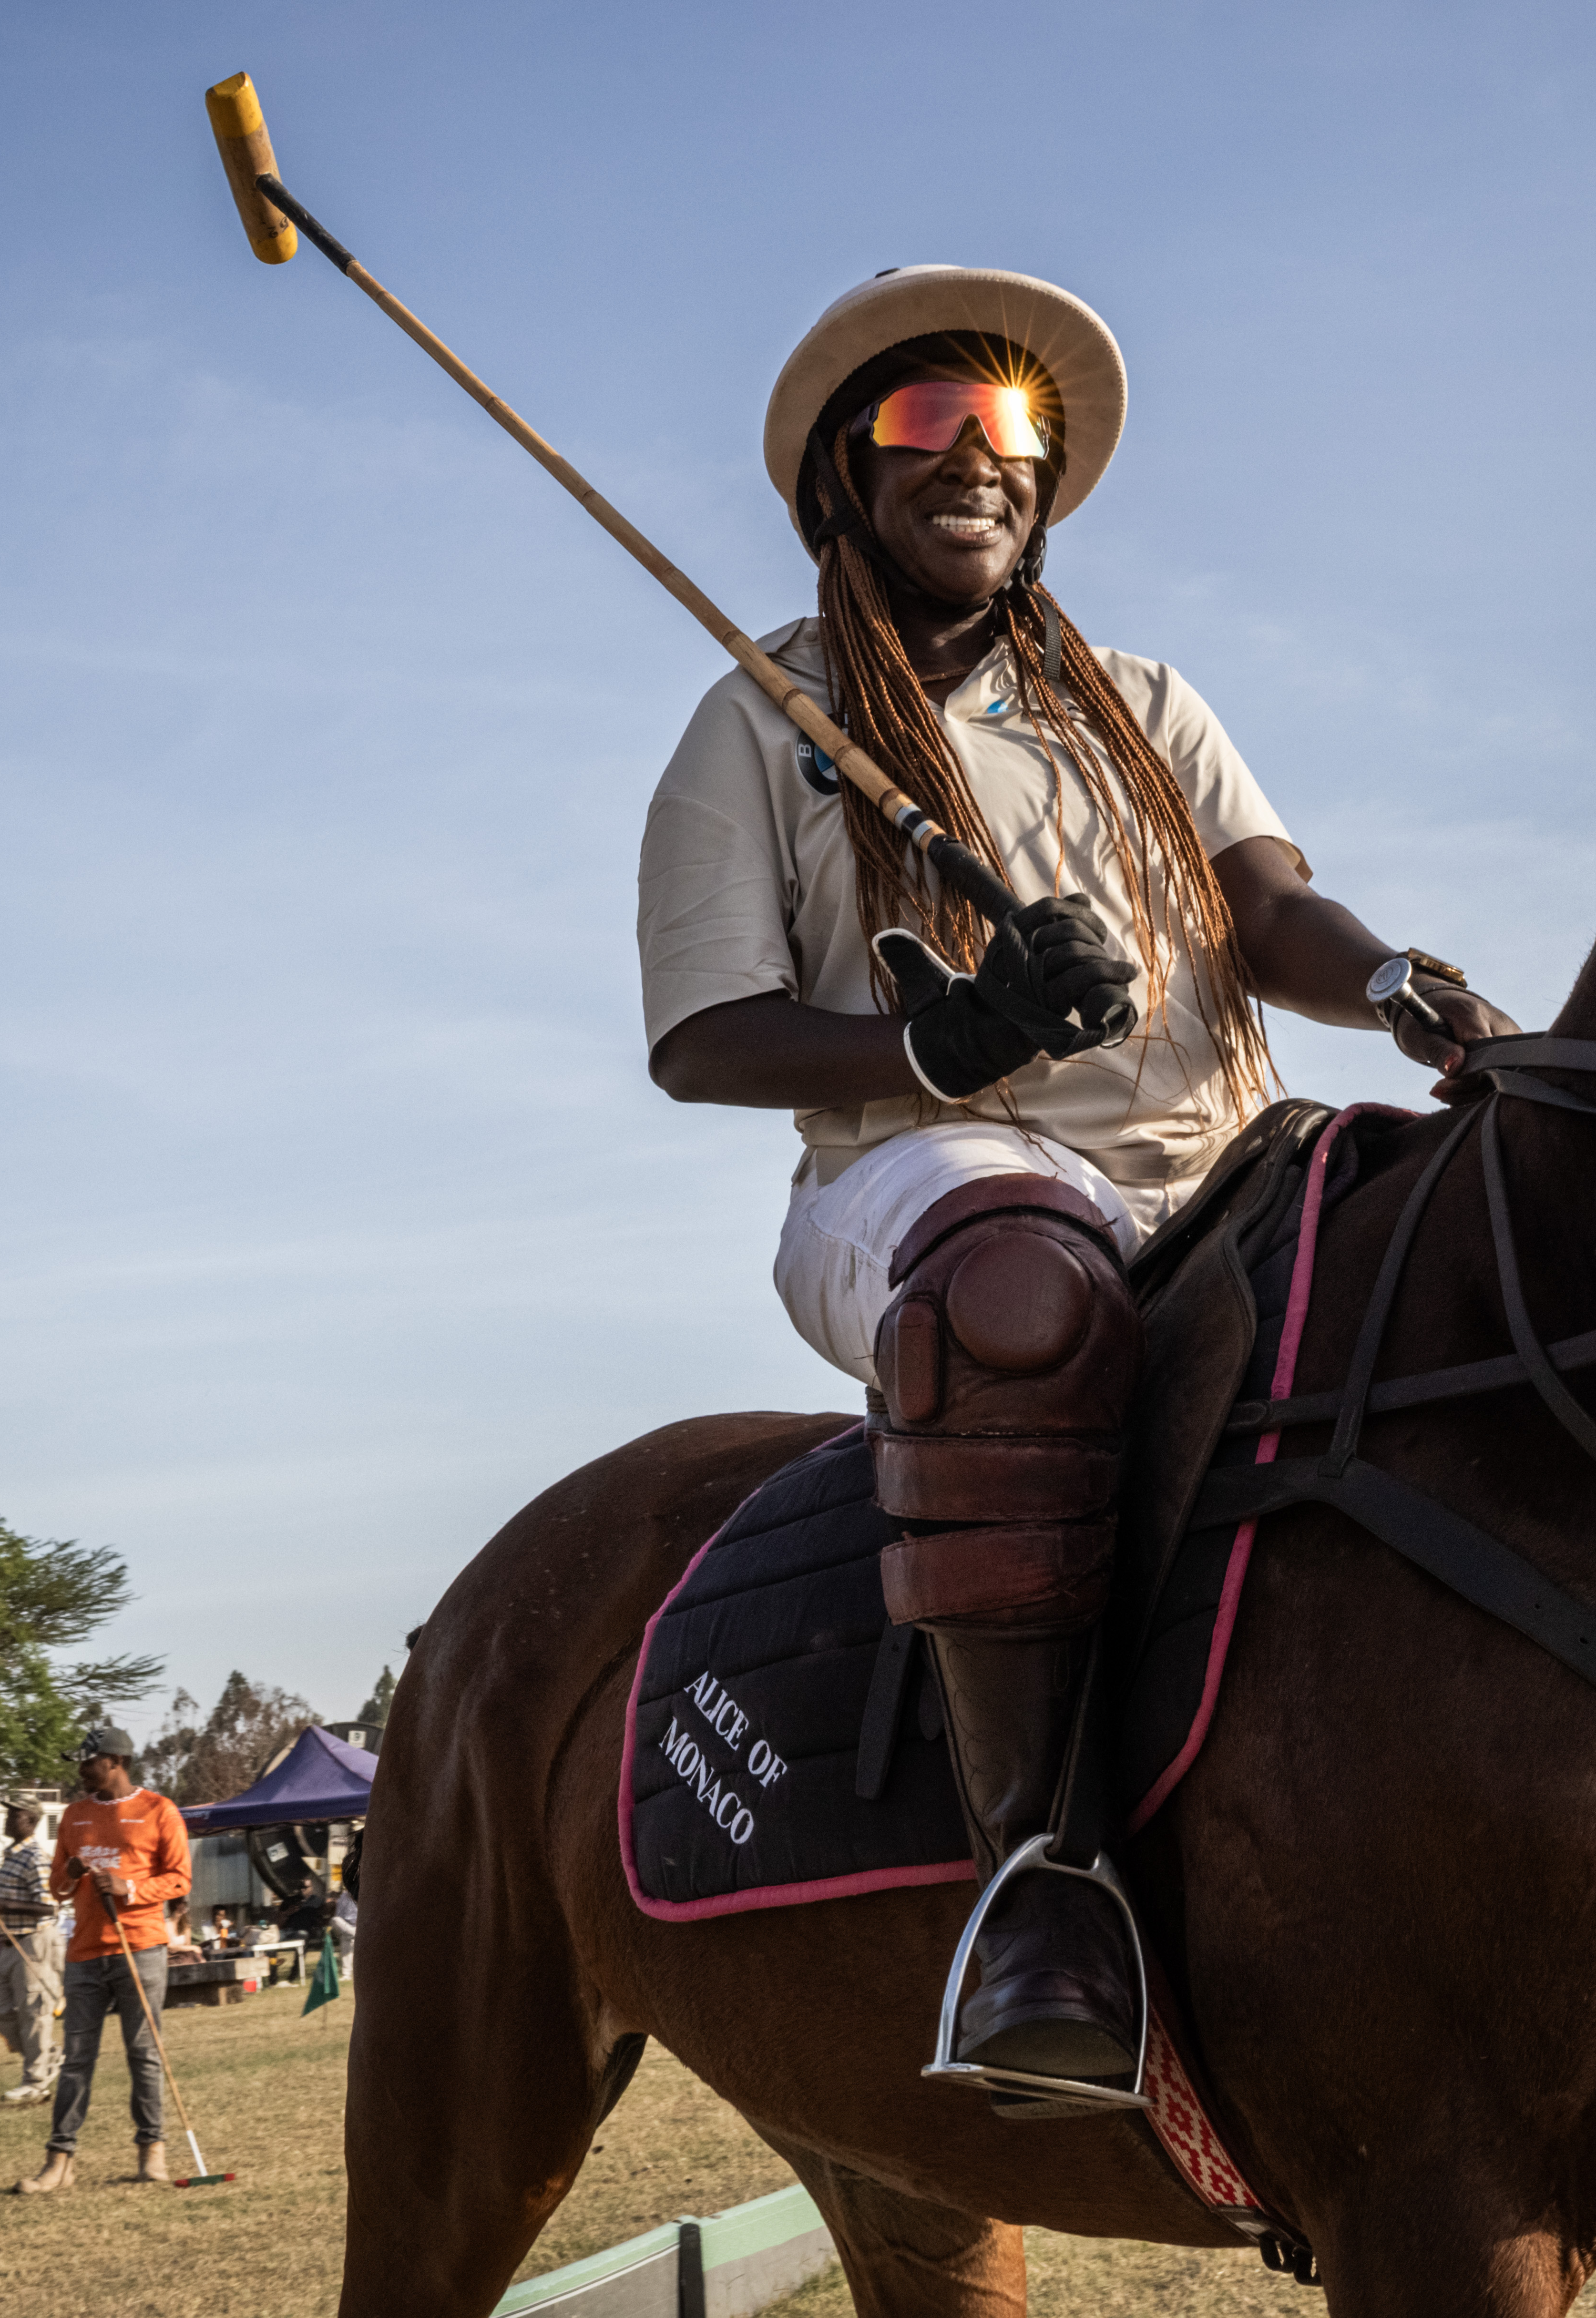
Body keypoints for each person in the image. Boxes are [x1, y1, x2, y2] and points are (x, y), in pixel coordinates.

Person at [638, 266, 1514, 2091]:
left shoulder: (1139, 704)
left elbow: (1267, 911)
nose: (981, 461)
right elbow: (704, 1037)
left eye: (1012, 434)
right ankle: (1046, 1885)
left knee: (1466, 1227)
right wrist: (932, 1057)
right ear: (838, 484)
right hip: (920, 1186)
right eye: (927, 424)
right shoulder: (756, 728)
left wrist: (1391, 984)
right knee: (1020, 1282)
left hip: (1212, 1156)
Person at [15, 1726, 190, 2194]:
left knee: (143, 2056)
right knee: (76, 2060)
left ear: (115, 1762)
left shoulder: (159, 1810)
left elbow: (179, 1880)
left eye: (88, 1762)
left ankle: (152, 2153)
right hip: (85, 1954)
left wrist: (131, 1888)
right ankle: (59, 2162)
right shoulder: (74, 1815)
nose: (80, 1770)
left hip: (141, 1949)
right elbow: (56, 1888)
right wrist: (70, 1875)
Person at [0, 1802, 63, 2103]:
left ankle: (36, 2082)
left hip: (35, 1940)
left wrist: (5, 1906)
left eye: (14, 1815)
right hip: (10, 1944)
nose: (7, 1819)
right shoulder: (11, 1856)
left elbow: (49, 1907)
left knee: (34, 2013)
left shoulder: (35, 1858)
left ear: (30, 1821)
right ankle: (48, 2054)